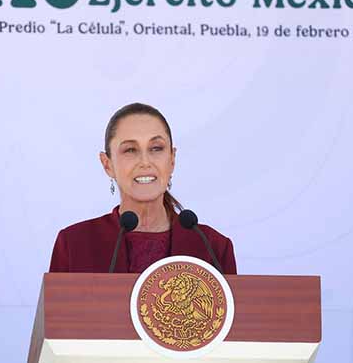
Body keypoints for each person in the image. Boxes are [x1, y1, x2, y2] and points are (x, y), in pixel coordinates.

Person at [49, 103, 237, 274]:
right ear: (107, 164)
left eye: (156, 148)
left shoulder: (213, 248)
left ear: (172, 159)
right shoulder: (73, 244)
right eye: (130, 150)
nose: (145, 162)